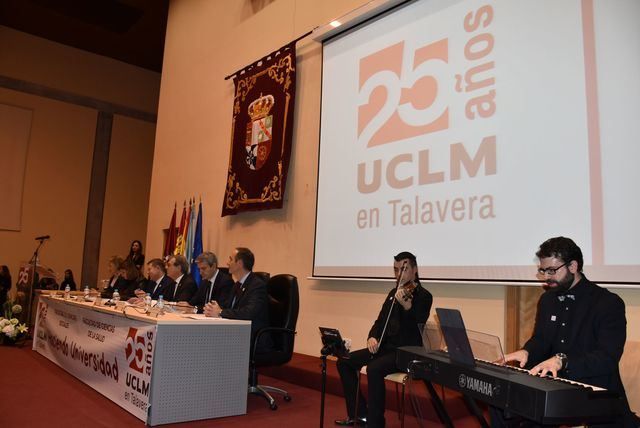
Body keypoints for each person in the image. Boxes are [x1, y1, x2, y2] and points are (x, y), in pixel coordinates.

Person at [497, 236, 638, 427]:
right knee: (502, 404)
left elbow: (607, 358)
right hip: (554, 386)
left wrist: (562, 361)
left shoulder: (607, 303)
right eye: (543, 271)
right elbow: (541, 340)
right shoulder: (548, 300)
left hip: (595, 391)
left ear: (573, 266)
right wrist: (527, 351)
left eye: (552, 270)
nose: (547, 277)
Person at [335, 251, 433, 428]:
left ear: (415, 270)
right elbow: (380, 321)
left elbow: (417, 328)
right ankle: (359, 414)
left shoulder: (424, 296)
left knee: (374, 369)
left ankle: (376, 423)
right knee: (344, 362)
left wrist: (408, 307)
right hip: (385, 348)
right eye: (396, 270)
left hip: (406, 352)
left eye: (403, 269)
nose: (399, 274)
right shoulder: (393, 293)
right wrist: (372, 336)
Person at [204, 247, 272, 353]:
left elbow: (248, 313)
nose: (227, 263)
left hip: (253, 337)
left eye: (230, 259)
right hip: (237, 333)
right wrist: (213, 308)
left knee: (211, 345)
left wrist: (220, 312)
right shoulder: (237, 285)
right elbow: (228, 307)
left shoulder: (257, 285)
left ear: (239, 263)